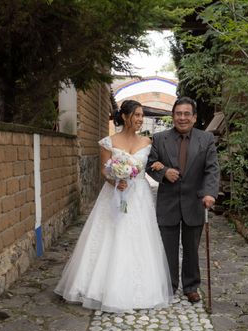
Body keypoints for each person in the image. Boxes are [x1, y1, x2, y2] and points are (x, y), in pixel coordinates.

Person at [54, 100, 173, 312]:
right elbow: (103, 171)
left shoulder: (148, 142)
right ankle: (101, 288)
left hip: (139, 196)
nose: (139, 119)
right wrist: (116, 180)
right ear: (125, 117)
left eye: (141, 115)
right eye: (136, 115)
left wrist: (159, 166)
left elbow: (153, 164)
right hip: (115, 193)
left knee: (139, 237)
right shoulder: (108, 142)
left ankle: (141, 289)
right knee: (112, 233)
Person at [147, 97, 220, 303]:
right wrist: (164, 173)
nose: (182, 118)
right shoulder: (160, 138)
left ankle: (191, 286)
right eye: (178, 114)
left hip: (195, 202)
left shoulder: (206, 140)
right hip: (168, 202)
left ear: (194, 117)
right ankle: (168, 285)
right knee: (167, 248)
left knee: (191, 249)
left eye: (187, 114)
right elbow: (150, 164)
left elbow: (212, 169)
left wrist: (209, 193)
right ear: (173, 116)